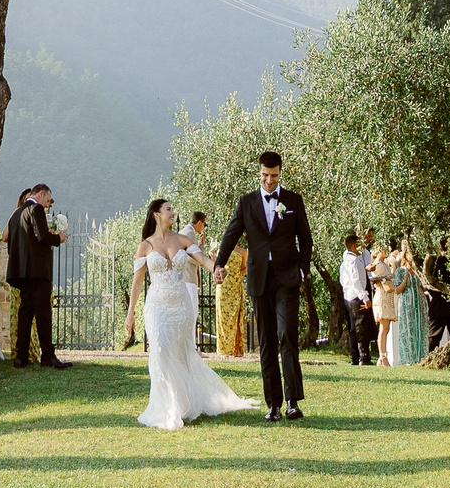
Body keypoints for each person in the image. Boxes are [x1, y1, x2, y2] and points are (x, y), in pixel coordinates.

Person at [128, 198, 255, 430]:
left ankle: (183, 404)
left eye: (172, 209)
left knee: (180, 352)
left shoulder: (183, 240)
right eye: (168, 209)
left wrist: (216, 270)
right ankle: (168, 407)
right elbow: (137, 282)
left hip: (181, 306)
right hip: (157, 306)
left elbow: (205, 261)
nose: (172, 213)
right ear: (156, 214)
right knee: (160, 350)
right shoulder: (145, 245)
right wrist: (130, 315)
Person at [214, 150, 314, 421]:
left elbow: (305, 239)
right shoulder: (246, 202)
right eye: (265, 176)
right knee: (267, 341)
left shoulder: (294, 200)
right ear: (259, 173)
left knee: (286, 335)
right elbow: (231, 234)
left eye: (274, 176)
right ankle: (273, 404)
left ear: (281, 173)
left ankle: (293, 401)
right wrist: (218, 264)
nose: (270, 181)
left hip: (287, 278)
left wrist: (303, 270)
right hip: (259, 278)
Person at [3, 183, 70, 369]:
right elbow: (42, 236)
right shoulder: (36, 209)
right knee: (43, 313)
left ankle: (20, 357)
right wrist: (59, 238)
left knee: (25, 313)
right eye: (48, 200)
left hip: (21, 272)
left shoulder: (16, 214)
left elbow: (11, 243)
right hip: (39, 271)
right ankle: (48, 356)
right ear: (41, 194)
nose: (47, 205)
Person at [339, 233, 375, 365]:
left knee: (354, 327)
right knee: (361, 327)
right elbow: (356, 280)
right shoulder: (353, 261)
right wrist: (364, 297)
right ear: (354, 246)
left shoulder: (348, 258)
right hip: (356, 296)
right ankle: (363, 357)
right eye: (360, 246)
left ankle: (355, 356)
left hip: (349, 296)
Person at [371, 239, 404, 364]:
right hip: (382, 295)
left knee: (386, 328)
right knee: (383, 327)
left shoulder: (384, 263)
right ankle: (382, 356)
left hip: (387, 295)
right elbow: (379, 279)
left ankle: (383, 355)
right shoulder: (377, 264)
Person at [396, 239, 429, 363]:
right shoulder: (400, 271)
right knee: (408, 329)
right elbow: (397, 290)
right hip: (406, 303)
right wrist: (404, 281)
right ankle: (408, 359)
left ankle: (421, 357)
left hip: (419, 302)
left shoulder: (419, 271)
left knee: (420, 328)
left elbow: (425, 286)